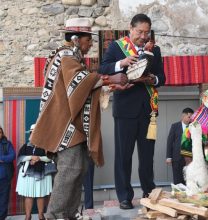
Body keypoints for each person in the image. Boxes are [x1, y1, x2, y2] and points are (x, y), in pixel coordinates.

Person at [30, 18, 127, 219]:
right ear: (75, 39)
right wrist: (110, 78)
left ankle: (69, 214)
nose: (91, 43)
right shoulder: (66, 57)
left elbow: (84, 85)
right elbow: (79, 81)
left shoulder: (71, 56)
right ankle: (54, 215)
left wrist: (109, 85)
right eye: (88, 39)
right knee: (70, 170)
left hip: (72, 124)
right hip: (65, 125)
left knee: (79, 169)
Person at [99, 13, 165, 209]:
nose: (143, 36)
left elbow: (162, 77)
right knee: (123, 156)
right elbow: (103, 68)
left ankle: (148, 193)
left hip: (148, 111)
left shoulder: (155, 49)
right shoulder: (116, 47)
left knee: (147, 157)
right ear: (130, 28)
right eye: (139, 32)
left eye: (146, 32)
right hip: (125, 109)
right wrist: (122, 63)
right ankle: (124, 197)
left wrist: (152, 79)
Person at [16, 124, 53, 220]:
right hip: (28, 174)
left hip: (42, 173)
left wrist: (39, 158)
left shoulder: (45, 146)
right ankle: (28, 216)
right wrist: (30, 157)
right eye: (32, 133)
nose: (33, 135)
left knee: (40, 194)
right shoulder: (25, 146)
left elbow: (50, 158)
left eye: (35, 133)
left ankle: (41, 215)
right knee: (29, 195)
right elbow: (20, 158)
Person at [166, 108, 194, 185]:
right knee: (177, 179)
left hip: (189, 157)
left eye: (192, 117)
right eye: (189, 117)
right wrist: (169, 157)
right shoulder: (175, 126)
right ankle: (177, 195)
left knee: (188, 178)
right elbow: (170, 142)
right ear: (183, 116)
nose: (190, 119)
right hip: (177, 157)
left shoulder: (193, 126)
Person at [0, 126, 15, 220]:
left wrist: (1, 159)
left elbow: (12, 155)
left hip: (5, 177)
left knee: (3, 200)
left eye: (0, 132)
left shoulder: (7, 144)